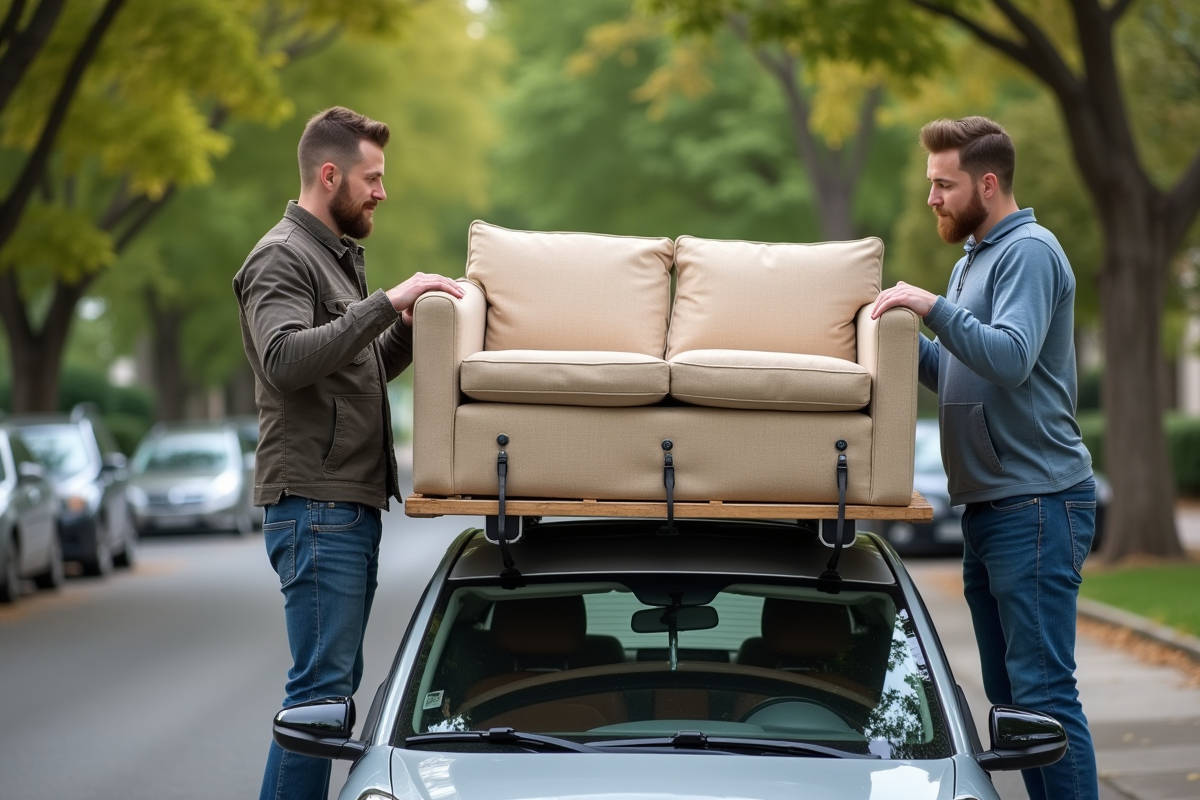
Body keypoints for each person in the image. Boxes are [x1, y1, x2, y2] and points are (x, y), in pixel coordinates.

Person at [232, 106, 463, 800]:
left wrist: (406, 327)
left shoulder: (331, 257)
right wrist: (385, 303)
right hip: (315, 505)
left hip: (343, 504)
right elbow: (284, 361)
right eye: (373, 179)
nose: (381, 193)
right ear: (329, 176)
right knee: (318, 699)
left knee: (327, 695)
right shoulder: (281, 256)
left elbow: (352, 371)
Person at [872, 116, 1097, 800]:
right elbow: (958, 369)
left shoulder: (1028, 251)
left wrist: (933, 307)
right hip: (991, 503)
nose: (932, 198)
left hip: (1036, 503)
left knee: (1044, 698)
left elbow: (1010, 357)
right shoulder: (972, 259)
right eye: (931, 184)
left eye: (945, 185)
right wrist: (895, 328)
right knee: (1014, 705)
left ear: (988, 184)